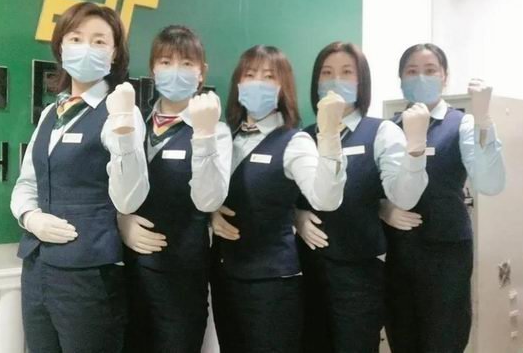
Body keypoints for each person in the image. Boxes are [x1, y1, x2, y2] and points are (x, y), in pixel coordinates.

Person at [10, 1, 148, 352]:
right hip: (37, 267)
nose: (87, 47)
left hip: (89, 272)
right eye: (76, 38)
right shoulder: (50, 113)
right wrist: (30, 216)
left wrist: (123, 133)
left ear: (114, 53)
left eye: (99, 41)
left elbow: (129, 199)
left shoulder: (121, 112)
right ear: (61, 46)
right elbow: (27, 182)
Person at [210, 44, 348, 353]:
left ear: (283, 87)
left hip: (273, 282)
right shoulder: (224, 136)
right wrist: (211, 212)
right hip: (226, 276)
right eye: (250, 75)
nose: (257, 82)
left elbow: (325, 198)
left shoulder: (295, 141)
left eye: (269, 76)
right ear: (238, 83)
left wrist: (329, 137)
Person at [295, 41, 430, 352]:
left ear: (362, 82)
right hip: (309, 269)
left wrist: (416, 149)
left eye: (347, 72)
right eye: (327, 73)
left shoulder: (381, 132)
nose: (335, 80)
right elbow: (284, 196)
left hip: (359, 270)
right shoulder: (304, 136)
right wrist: (296, 217)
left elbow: (404, 196)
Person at [382, 43, 506, 353]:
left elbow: (490, 182)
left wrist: (483, 121)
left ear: (444, 77)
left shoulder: (460, 124)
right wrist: (382, 208)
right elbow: (370, 187)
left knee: (444, 339)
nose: (421, 77)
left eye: (430, 70)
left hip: (446, 253)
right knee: (402, 337)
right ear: (400, 79)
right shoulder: (390, 129)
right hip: (399, 252)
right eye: (412, 71)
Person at [120, 25, 232, 353]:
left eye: (186, 63)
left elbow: (209, 199)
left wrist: (204, 135)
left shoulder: (217, 131)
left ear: (201, 72)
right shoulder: (134, 123)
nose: (175, 71)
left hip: (182, 278)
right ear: (153, 69)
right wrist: (120, 220)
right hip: (132, 272)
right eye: (166, 62)